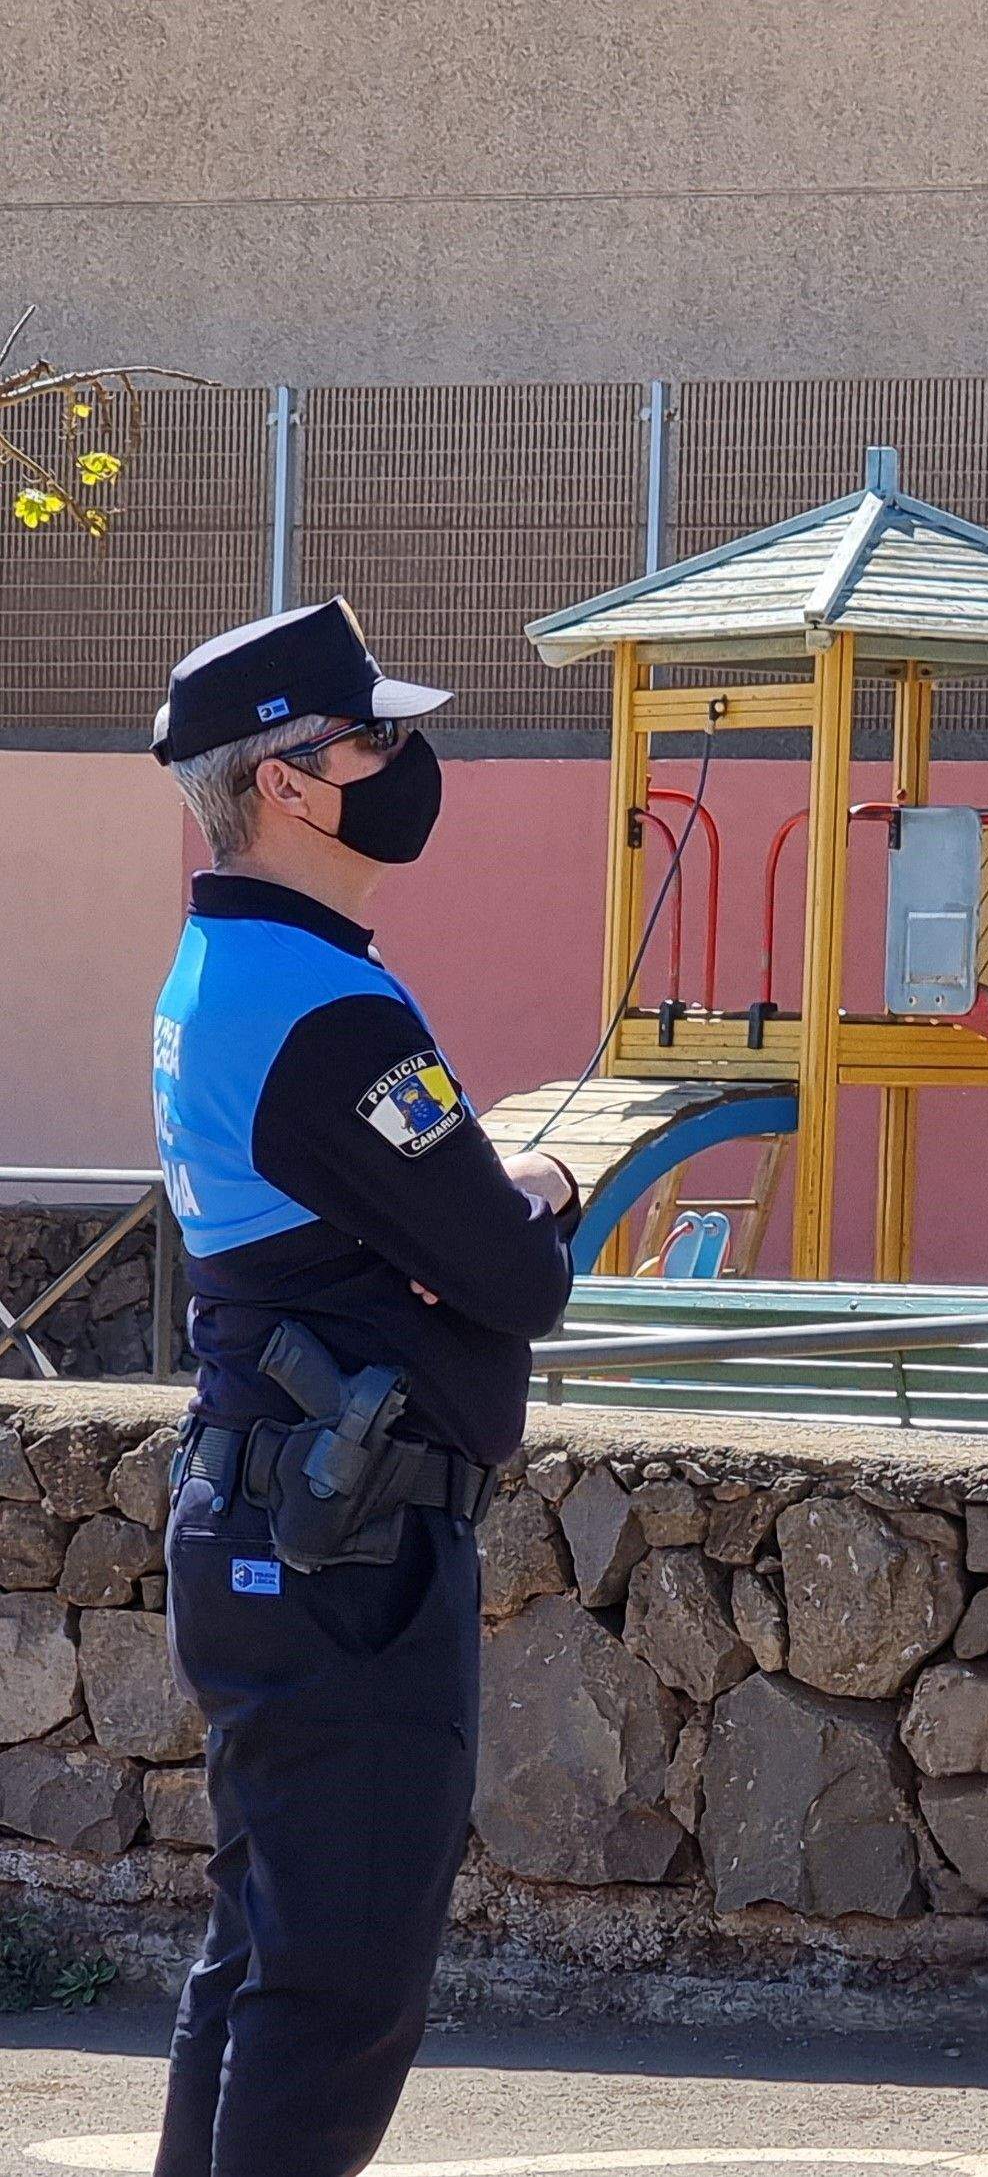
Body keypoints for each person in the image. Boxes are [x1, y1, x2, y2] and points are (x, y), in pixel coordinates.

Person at [146, 598, 581, 2177]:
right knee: (336, 1991)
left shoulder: (234, 968)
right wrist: (520, 1195)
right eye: (372, 735)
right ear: (289, 782)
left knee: (265, 1963)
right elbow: (515, 1277)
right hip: (348, 1557)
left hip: (277, 1517)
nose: (406, 758)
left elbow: (441, 1246)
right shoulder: (327, 1010)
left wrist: (465, 1217)